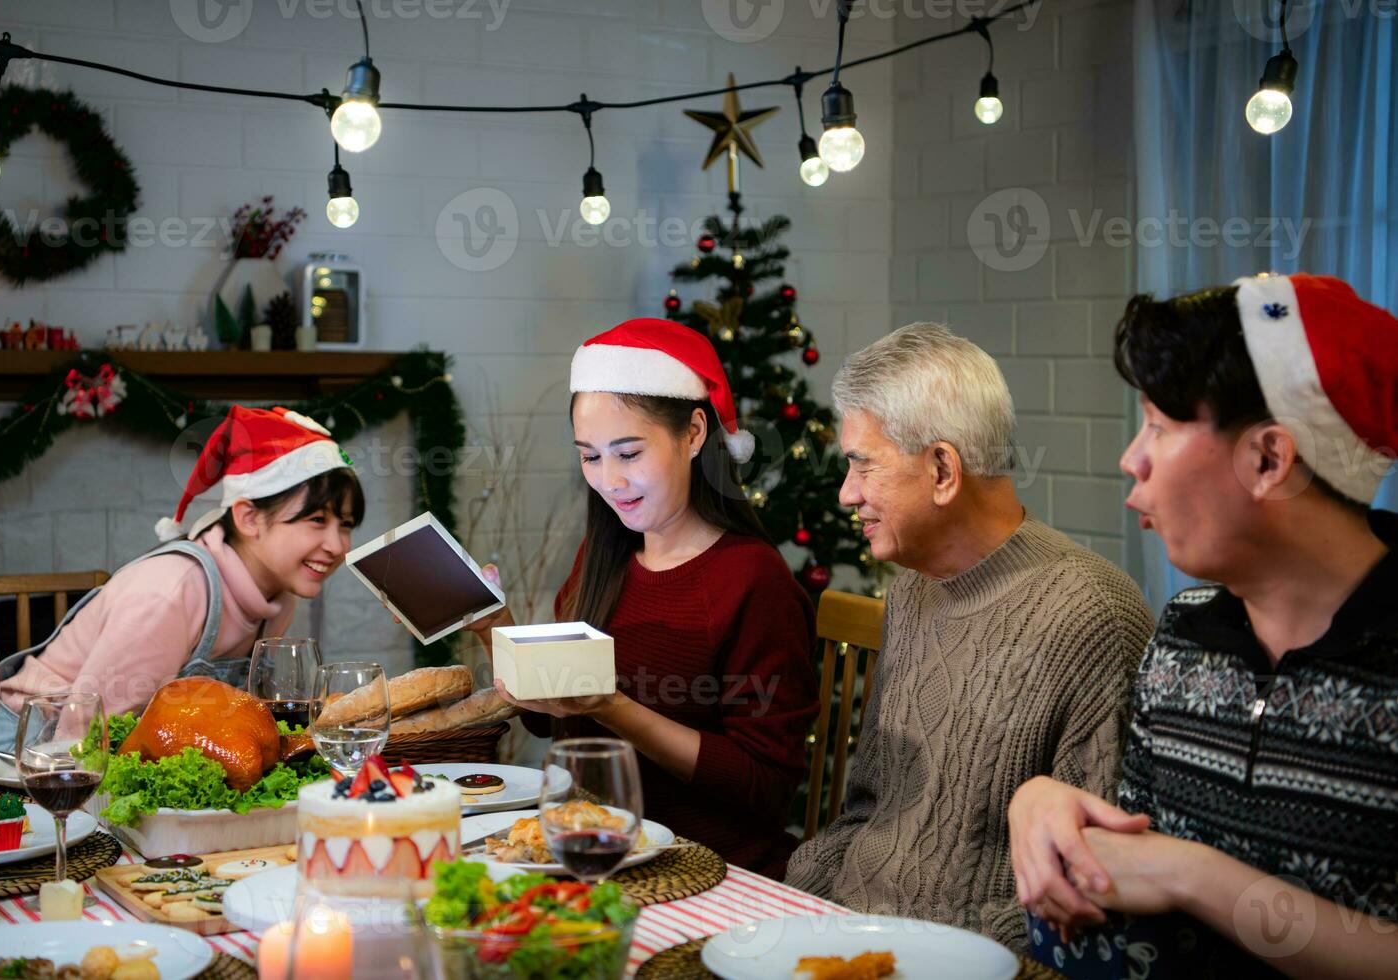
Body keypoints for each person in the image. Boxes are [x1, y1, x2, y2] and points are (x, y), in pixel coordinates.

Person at [1009, 273, 1398, 979]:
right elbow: (1142, 853)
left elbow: (1170, 869)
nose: (1131, 458)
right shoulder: (1184, 631)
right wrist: (1040, 800)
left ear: (1267, 458)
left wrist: (1194, 874)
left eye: (1157, 425)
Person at [784, 322, 1153, 950]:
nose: (848, 494)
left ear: (943, 470)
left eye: (862, 465)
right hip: (845, 936)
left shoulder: (1093, 616)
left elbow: (1086, 888)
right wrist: (795, 909)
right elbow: (866, 810)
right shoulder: (911, 590)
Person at [477, 318, 819, 880]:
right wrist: (493, 625)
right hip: (593, 854)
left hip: (710, 870)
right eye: (590, 457)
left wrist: (612, 707)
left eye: (629, 453)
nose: (609, 481)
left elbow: (766, 786)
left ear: (693, 434)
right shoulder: (605, 555)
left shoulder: (753, 581)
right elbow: (554, 722)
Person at [0, 405, 363, 762]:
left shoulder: (277, 595)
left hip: (107, 754)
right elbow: (85, 732)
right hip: (22, 747)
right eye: (317, 521)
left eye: (345, 525)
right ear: (248, 518)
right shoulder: (173, 592)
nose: (337, 545)